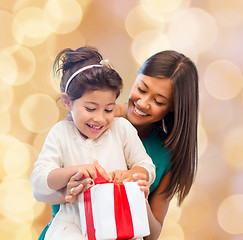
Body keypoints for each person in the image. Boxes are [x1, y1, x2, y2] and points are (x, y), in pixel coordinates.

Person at [34, 50, 199, 240]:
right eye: (142, 89)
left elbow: (152, 235)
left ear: (173, 106)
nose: (144, 103)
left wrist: (138, 193)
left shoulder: (160, 151)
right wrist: (69, 189)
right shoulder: (85, 119)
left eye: (158, 101)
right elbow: (40, 188)